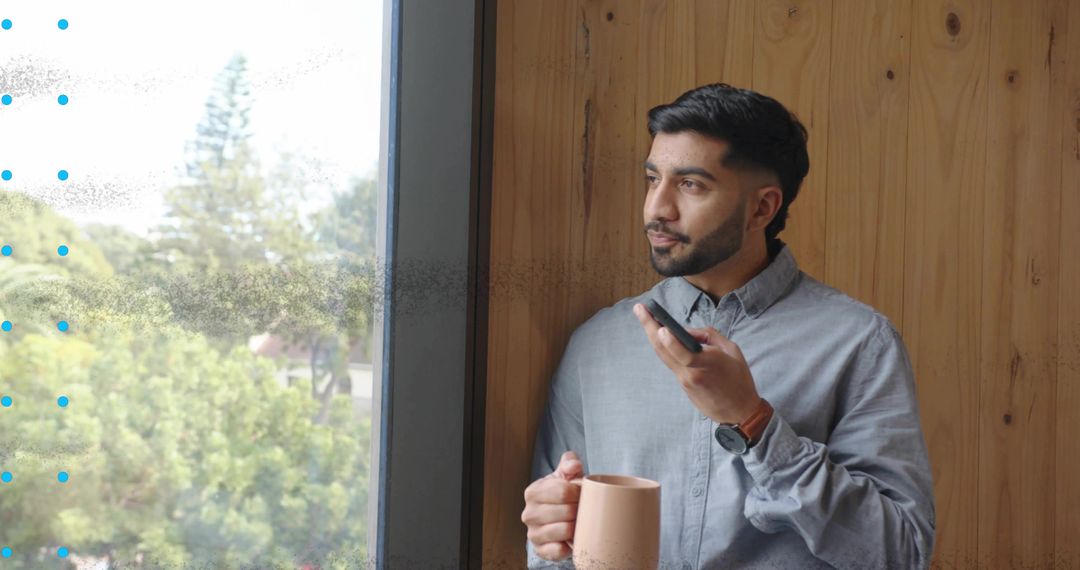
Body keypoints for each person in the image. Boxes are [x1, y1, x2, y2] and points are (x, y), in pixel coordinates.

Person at [520, 83, 935, 569]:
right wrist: (550, 538)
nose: (657, 209)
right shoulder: (597, 344)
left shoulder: (859, 344)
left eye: (691, 185)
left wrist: (752, 420)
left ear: (762, 208)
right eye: (653, 179)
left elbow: (902, 554)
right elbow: (552, 552)